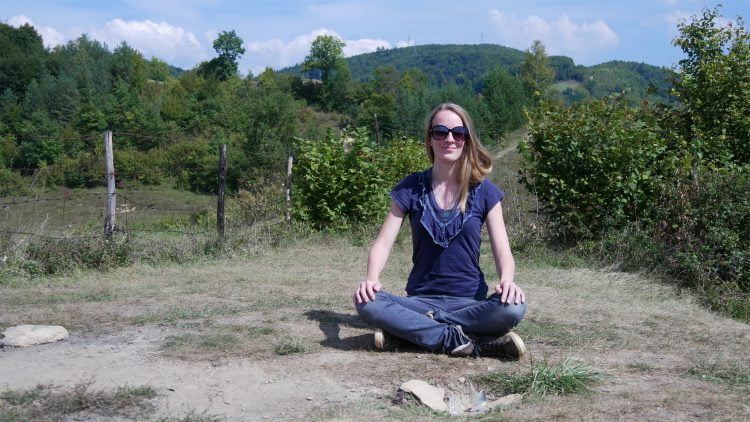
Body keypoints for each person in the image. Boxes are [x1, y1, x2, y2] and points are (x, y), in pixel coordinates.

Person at [353, 102, 527, 359]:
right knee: (366, 301)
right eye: (440, 132)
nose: (450, 139)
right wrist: (371, 277)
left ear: (467, 140)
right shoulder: (411, 187)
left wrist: (507, 281)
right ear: (430, 139)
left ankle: (413, 334)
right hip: (419, 301)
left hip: (470, 303)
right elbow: (383, 243)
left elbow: (503, 250)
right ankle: (460, 339)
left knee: (512, 308)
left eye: (458, 133)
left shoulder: (485, 190)